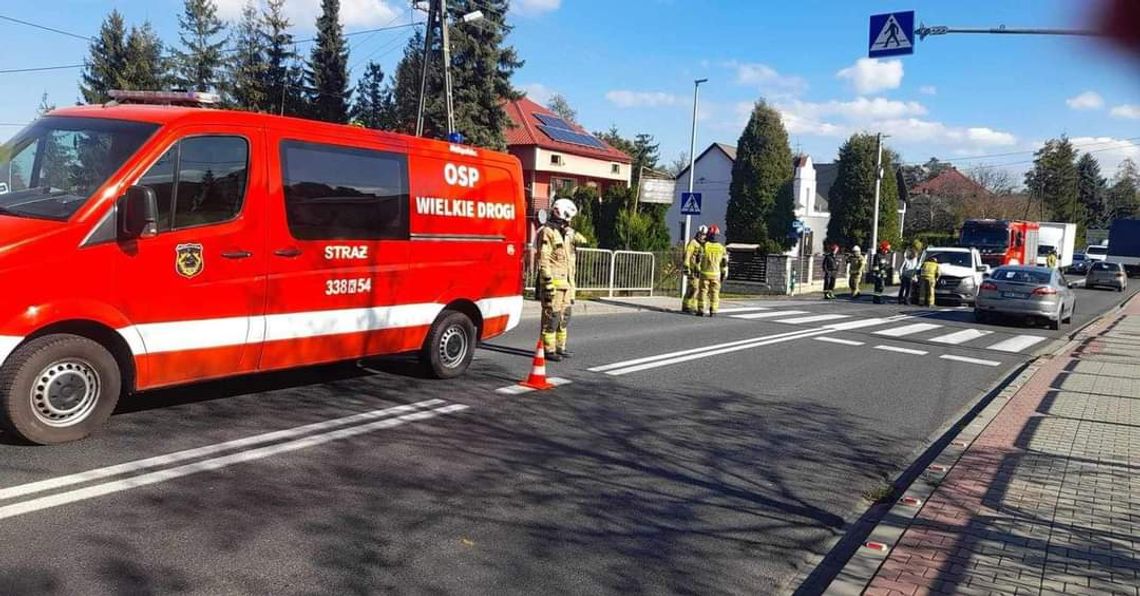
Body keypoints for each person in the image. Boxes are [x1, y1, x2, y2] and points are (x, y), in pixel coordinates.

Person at [537, 198, 578, 361]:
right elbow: (544, 259)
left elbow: (570, 261)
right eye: (568, 217)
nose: (570, 221)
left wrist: (573, 286)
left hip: (567, 284)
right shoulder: (547, 231)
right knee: (551, 317)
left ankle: (560, 347)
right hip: (553, 284)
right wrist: (547, 283)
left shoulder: (567, 234)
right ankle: (548, 349)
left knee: (564, 317)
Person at [698, 224, 729, 316]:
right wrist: (724, 274)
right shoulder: (722, 248)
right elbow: (724, 263)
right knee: (715, 293)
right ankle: (713, 310)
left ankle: (701, 310)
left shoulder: (704, 246)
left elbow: (698, 259)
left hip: (704, 274)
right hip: (716, 275)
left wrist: (697, 269)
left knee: (703, 292)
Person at [682, 226, 708, 314]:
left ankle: (690, 305)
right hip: (692, 270)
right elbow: (688, 254)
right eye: (701, 234)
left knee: (697, 289)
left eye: (704, 234)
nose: (702, 236)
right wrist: (686, 266)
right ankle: (687, 306)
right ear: (698, 233)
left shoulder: (705, 244)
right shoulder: (693, 243)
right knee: (693, 287)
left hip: (700, 270)